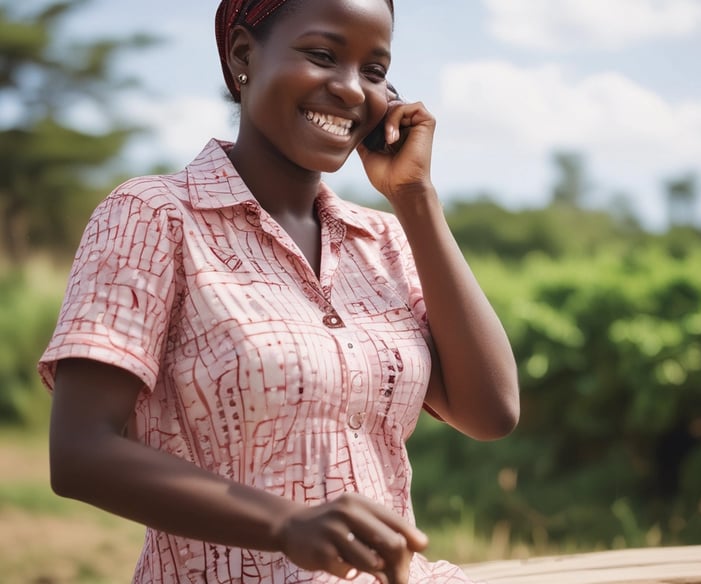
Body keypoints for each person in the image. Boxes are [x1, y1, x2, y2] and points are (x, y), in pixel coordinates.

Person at [39, 0, 520, 582]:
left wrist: (415, 196)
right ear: (244, 55)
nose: (349, 89)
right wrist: (285, 524)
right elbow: (80, 453)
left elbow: (491, 412)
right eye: (322, 55)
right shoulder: (154, 217)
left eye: (373, 71)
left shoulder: (383, 240)